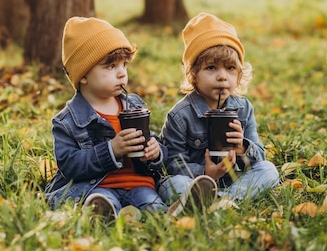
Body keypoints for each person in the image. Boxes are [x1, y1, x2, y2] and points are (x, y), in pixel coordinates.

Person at [45, 16, 215, 220]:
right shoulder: (68, 120)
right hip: (98, 187)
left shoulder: (133, 106)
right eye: (111, 66)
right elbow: (69, 165)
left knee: (152, 205)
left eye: (124, 65)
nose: (121, 74)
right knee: (102, 201)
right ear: (83, 74)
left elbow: (154, 142)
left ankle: (175, 214)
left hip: (139, 184)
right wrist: (111, 150)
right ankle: (103, 215)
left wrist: (155, 151)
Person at [159, 12, 279, 204]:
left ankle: (223, 200)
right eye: (211, 68)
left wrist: (241, 147)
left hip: (233, 179)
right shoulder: (180, 115)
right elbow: (173, 163)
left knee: (268, 170)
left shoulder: (243, 108)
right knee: (171, 184)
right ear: (194, 74)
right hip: (195, 180)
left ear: (239, 74)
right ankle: (207, 196)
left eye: (230, 68)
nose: (222, 76)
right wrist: (206, 173)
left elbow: (259, 157)